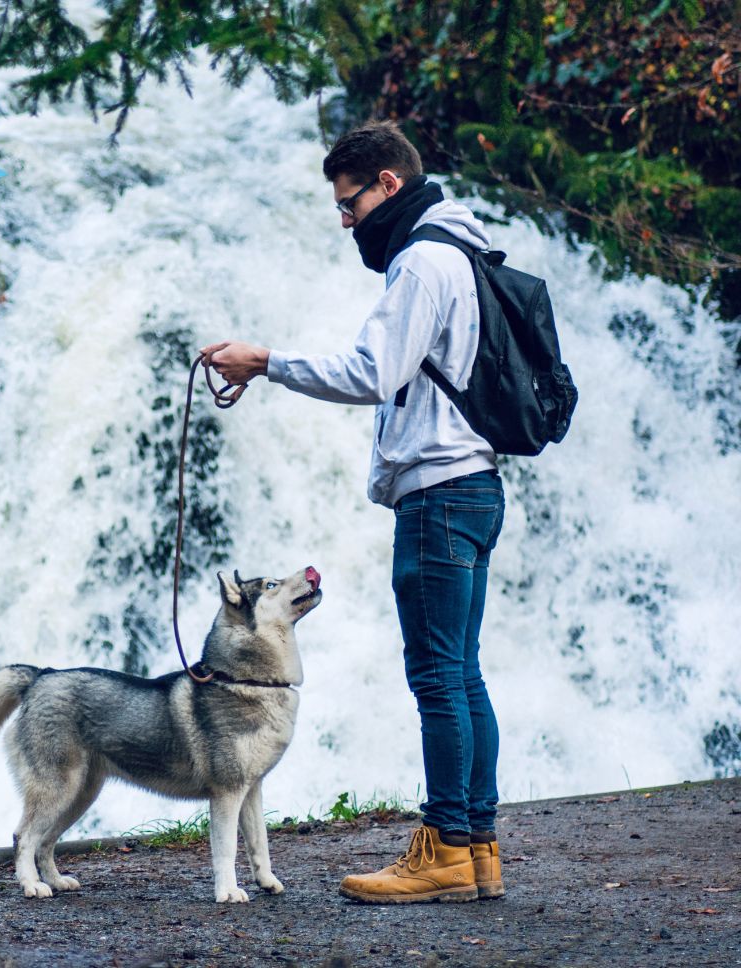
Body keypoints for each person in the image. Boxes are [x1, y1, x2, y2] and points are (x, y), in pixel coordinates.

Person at [200, 120, 506, 904]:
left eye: (350, 203)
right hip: (473, 486)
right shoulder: (463, 252)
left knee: (438, 676)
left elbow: (374, 370)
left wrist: (265, 361)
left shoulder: (422, 262)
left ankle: (444, 849)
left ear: (388, 185)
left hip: (438, 496)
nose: (345, 220)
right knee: (462, 674)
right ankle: (477, 851)